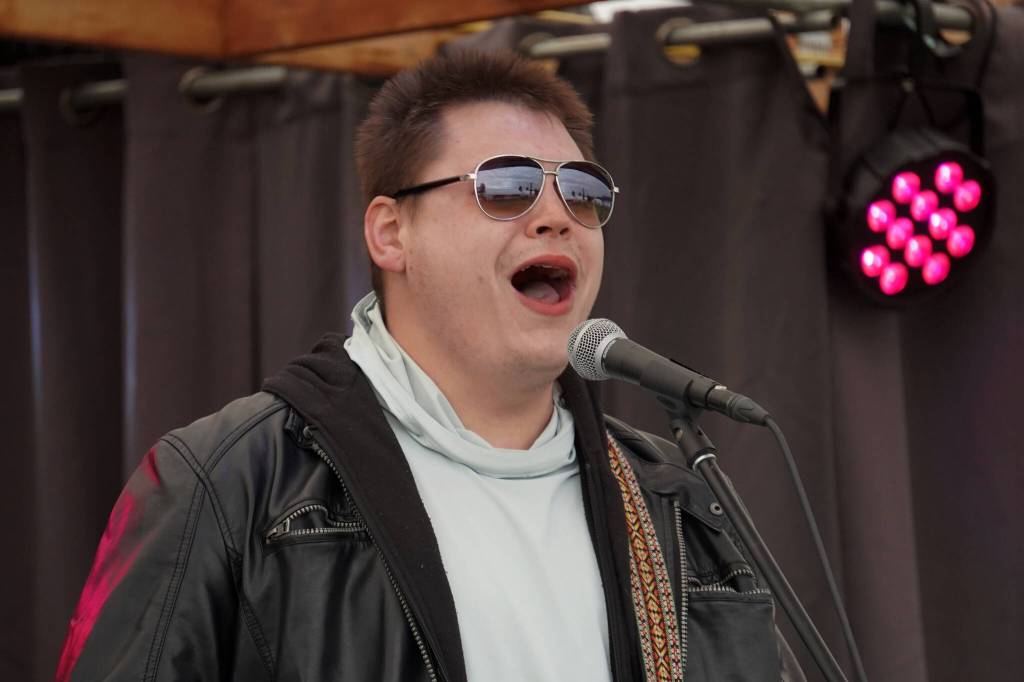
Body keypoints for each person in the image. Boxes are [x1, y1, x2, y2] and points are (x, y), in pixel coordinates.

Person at [56, 49, 802, 682]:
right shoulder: (227, 485)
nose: (554, 216)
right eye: (505, 187)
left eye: (581, 192)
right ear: (390, 233)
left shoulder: (671, 500)